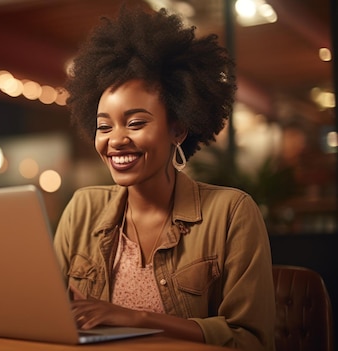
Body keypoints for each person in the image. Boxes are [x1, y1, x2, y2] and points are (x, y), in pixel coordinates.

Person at [53, 4, 275, 350]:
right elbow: (49, 313)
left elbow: (250, 340)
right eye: (103, 126)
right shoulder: (83, 208)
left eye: (136, 122)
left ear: (178, 129)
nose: (116, 140)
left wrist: (138, 319)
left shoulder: (231, 213)